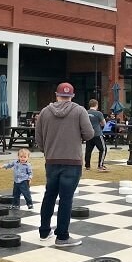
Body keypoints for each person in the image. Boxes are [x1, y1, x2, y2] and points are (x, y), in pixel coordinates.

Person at [35, 82, 94, 247]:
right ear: (72, 96)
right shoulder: (79, 110)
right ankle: (62, 236)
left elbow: (38, 139)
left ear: (56, 94)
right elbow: (89, 134)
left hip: (52, 160)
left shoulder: (44, 112)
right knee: (66, 199)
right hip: (72, 161)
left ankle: (44, 231)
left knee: (49, 196)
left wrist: (48, 150)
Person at [84, 99, 107, 172]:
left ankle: (87, 166)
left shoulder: (85, 113)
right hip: (97, 134)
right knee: (103, 149)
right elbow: (104, 124)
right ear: (96, 105)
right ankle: (100, 165)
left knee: (88, 150)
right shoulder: (99, 113)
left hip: (88, 134)